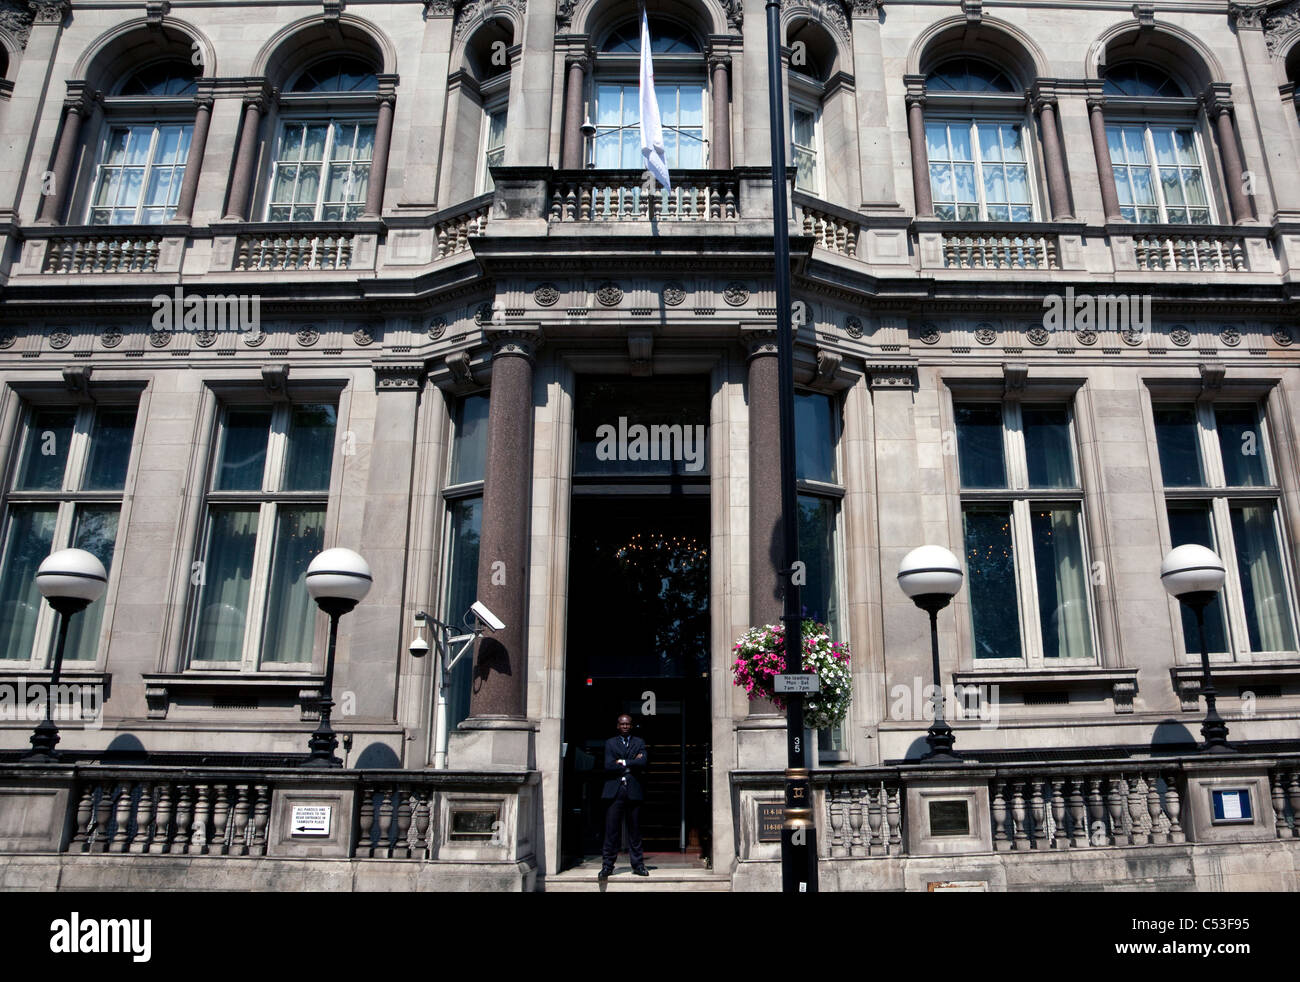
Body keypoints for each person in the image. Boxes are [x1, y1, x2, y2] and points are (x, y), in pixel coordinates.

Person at [599, 713, 649, 878]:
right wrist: (632, 763)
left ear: (631, 726)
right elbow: (607, 765)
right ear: (617, 726)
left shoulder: (639, 742)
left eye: (628, 724)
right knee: (611, 831)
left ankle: (638, 865)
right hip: (615, 792)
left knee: (634, 831)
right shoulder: (610, 743)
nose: (625, 726)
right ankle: (607, 866)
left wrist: (623, 762)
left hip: (633, 791)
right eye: (622, 724)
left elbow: (643, 762)